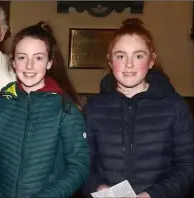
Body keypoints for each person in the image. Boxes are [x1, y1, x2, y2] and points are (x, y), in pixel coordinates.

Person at [82, 18, 194, 198]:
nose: (129, 64)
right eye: (120, 56)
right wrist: (98, 188)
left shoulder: (175, 107)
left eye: (139, 56)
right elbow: (82, 164)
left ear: (151, 60)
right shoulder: (94, 109)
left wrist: (152, 194)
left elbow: (188, 166)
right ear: (110, 62)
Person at [0, 21, 89, 198]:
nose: (29, 66)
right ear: (13, 62)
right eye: (22, 57)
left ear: (49, 63)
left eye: (38, 58)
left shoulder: (66, 108)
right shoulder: (0, 105)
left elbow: (78, 166)